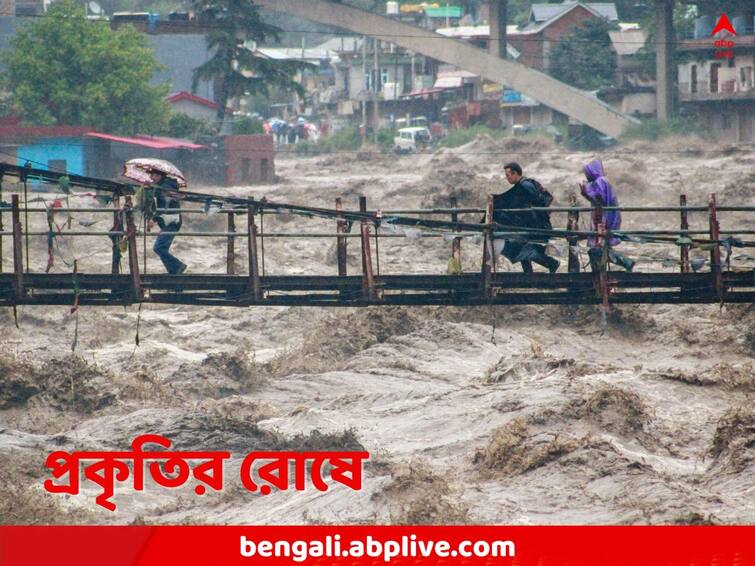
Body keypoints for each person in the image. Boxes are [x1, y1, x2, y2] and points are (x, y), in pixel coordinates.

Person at [488, 162, 560, 273]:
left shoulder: (525, 186)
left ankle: (552, 264)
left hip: (537, 227)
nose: (507, 178)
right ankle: (528, 275)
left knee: (526, 249)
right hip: (529, 226)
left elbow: (536, 203)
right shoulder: (521, 186)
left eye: (508, 175)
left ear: (515, 173)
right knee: (521, 248)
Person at [579, 159, 634, 272]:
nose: (586, 175)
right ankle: (602, 272)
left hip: (605, 219)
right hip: (604, 217)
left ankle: (624, 263)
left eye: (587, 173)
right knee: (601, 248)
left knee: (598, 249)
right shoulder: (600, 181)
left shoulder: (600, 181)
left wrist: (586, 193)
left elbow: (599, 199)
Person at [148, 171, 187, 275]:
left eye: (153, 175)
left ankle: (178, 266)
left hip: (172, 222)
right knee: (162, 249)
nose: (151, 177)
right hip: (169, 221)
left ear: (159, 176)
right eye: (151, 175)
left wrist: (154, 219)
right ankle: (174, 271)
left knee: (158, 248)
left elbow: (164, 206)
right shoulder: (164, 185)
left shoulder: (164, 187)